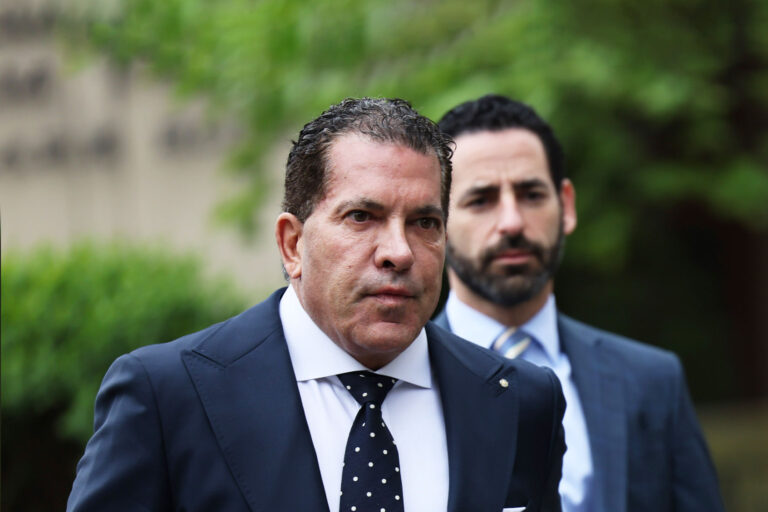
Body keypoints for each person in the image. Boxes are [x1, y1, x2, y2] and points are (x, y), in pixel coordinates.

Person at [67, 97, 566, 512]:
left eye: (424, 222)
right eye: (362, 216)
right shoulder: (168, 396)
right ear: (292, 244)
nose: (398, 251)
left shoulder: (522, 402)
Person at [434, 94, 725, 512]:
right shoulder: (397, 378)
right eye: (481, 200)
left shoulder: (652, 381)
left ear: (565, 205)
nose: (512, 222)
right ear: (436, 219)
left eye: (531, 194)